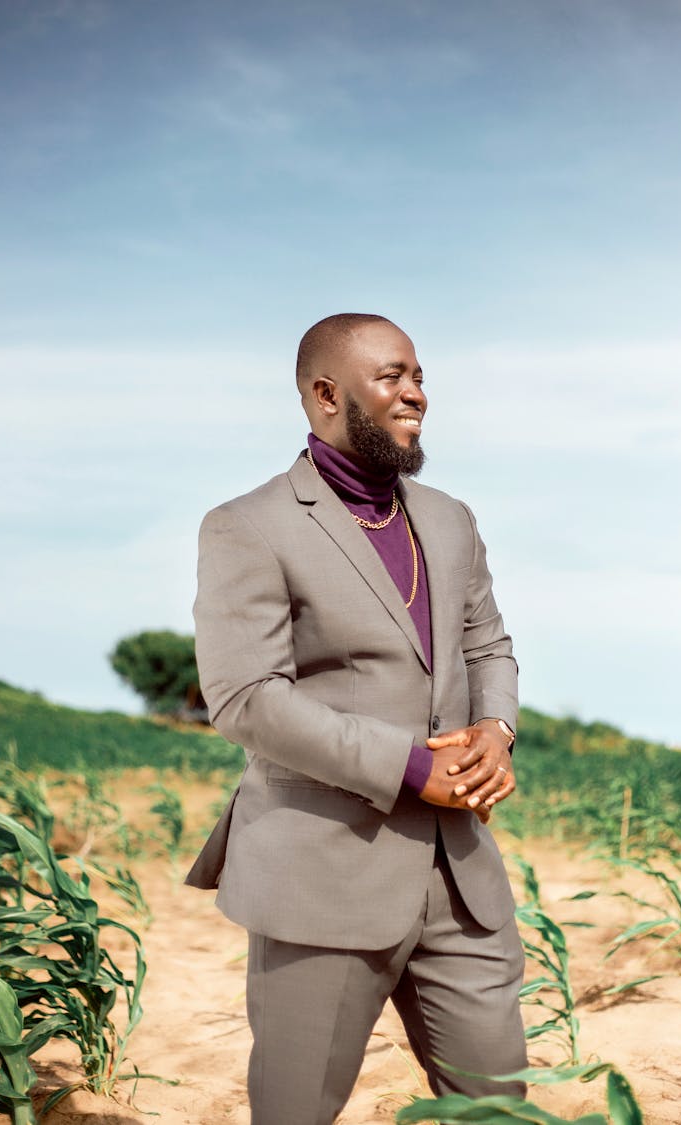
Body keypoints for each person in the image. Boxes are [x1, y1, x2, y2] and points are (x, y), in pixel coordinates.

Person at [185, 313, 528, 1125]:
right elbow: (245, 698)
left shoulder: (450, 518)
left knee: (502, 1112)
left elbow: (489, 645)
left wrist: (495, 731)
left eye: (418, 375)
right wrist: (413, 766)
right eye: (393, 376)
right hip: (322, 876)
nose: (416, 393)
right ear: (326, 393)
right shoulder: (247, 525)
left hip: (463, 879)